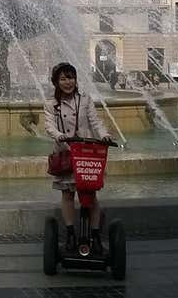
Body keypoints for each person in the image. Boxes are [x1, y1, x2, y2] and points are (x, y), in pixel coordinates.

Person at [44, 62, 114, 254]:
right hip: (65, 153)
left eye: (71, 77)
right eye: (63, 79)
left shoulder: (85, 99)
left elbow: (95, 121)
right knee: (67, 194)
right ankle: (71, 233)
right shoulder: (51, 104)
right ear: (56, 82)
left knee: (91, 195)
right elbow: (48, 125)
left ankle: (96, 235)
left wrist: (104, 135)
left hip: (85, 152)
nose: (68, 82)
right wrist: (58, 135)